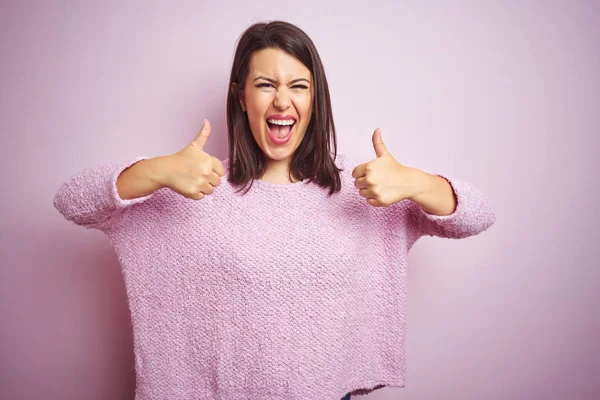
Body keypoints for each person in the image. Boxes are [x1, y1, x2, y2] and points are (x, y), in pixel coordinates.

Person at [53, 20, 495, 400]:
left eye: (298, 86)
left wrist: (416, 183)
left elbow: (479, 215)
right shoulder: (195, 185)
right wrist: (154, 171)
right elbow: (71, 201)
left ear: (314, 99)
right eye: (266, 85)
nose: (282, 101)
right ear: (241, 97)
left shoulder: (366, 189)